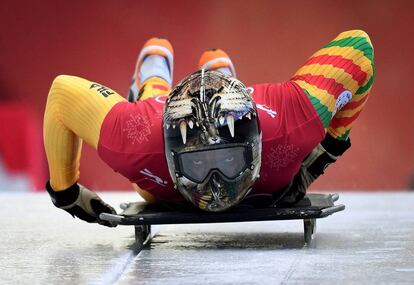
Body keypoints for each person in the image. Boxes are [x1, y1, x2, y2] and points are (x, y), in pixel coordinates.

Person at [44, 30, 374, 226]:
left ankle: (158, 71)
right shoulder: (296, 120)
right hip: (170, 144)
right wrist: (328, 147)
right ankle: (157, 75)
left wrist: (66, 192)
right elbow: (359, 50)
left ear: (258, 144)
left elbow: (62, 94)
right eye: (197, 164)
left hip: (167, 181)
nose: (214, 188)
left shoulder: (293, 119)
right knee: (151, 107)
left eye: (229, 161)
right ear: (171, 157)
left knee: (147, 178)